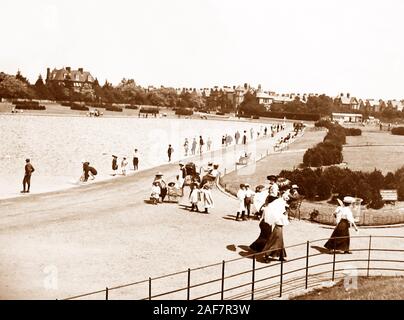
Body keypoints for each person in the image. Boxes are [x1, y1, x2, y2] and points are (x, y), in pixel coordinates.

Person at [262, 191, 290, 262]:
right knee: (275, 239)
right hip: (278, 223)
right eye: (286, 196)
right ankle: (266, 255)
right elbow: (273, 210)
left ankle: (281, 256)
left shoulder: (282, 202)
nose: (287, 198)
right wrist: (283, 213)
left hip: (280, 223)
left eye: (288, 197)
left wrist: (285, 211)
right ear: (283, 195)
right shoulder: (278, 202)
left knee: (280, 241)